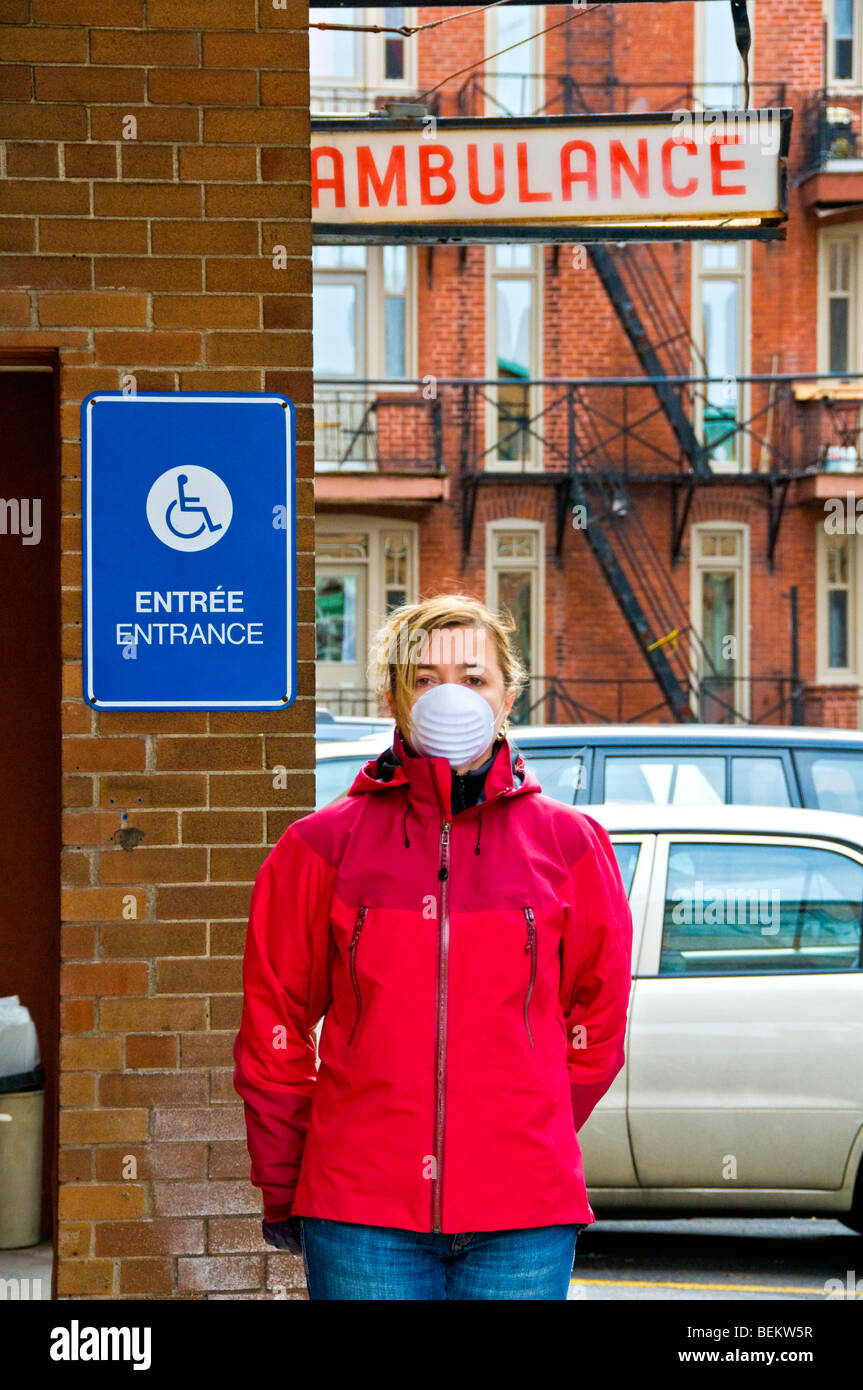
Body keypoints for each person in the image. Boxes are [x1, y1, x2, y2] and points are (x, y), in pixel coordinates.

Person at [233, 593, 633, 1300]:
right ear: (392, 695)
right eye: (424, 678)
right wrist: (287, 1179)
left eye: (473, 677)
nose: (450, 695)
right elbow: (275, 1036)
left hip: (523, 1210)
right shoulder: (320, 848)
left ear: (508, 695)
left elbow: (595, 1026)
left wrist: (523, 1131)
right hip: (359, 1208)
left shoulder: (570, 846)